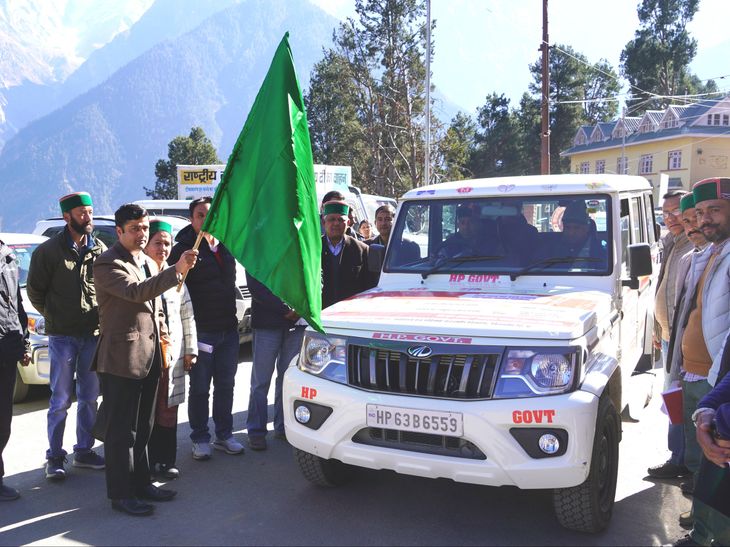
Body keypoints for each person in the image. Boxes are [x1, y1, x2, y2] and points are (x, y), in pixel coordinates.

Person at [92, 204, 198, 516]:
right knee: (121, 431)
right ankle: (121, 495)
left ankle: (142, 483)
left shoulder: (146, 261)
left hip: (151, 355)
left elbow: (159, 308)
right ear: (120, 231)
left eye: (145, 227)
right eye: (135, 229)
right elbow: (138, 293)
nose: (142, 234)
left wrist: (165, 342)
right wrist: (176, 269)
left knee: (144, 426)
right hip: (121, 358)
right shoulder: (107, 263)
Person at [26, 192, 107, 480]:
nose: (88, 217)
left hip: (92, 335)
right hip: (62, 337)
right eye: (82, 213)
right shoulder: (48, 252)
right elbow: (35, 292)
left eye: (90, 211)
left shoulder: (99, 249)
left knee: (89, 397)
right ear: (67, 217)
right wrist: (54, 315)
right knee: (60, 399)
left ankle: (83, 451)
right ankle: (55, 457)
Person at [169, 197, 245, 460]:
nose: (207, 219)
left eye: (211, 215)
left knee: (226, 385)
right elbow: (173, 291)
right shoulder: (182, 250)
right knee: (200, 387)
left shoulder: (225, 246)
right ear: (192, 219)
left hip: (228, 330)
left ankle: (224, 434)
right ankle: (200, 437)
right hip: (201, 332)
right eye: (201, 215)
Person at [144, 220, 197, 479]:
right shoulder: (140, 275)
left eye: (167, 243)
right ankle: (147, 463)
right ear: (145, 244)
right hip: (148, 359)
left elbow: (187, 315)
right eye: (158, 243)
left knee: (169, 411)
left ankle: (166, 461)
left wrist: (191, 350)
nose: (163, 248)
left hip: (172, 357)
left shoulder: (178, 276)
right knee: (148, 413)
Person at [668, 193, 711, 502]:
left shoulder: (718, 256)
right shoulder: (689, 256)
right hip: (685, 359)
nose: (691, 225)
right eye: (687, 221)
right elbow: (683, 310)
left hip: (712, 369)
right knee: (688, 428)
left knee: (708, 439)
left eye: (694, 218)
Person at [649, 190, 693, 481]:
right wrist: (656, 327)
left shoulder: (694, 245)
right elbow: (663, 288)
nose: (670, 218)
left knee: (682, 400)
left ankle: (685, 463)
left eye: (676, 211)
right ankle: (678, 457)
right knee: (673, 398)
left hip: (685, 341)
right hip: (668, 335)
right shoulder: (670, 242)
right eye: (665, 213)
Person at [245, 273, 305, 451]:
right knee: (260, 382)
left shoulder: (301, 244)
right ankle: (256, 431)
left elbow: (316, 274)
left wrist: (302, 306)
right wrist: (285, 309)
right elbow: (256, 284)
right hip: (267, 323)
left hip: (297, 323)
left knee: (288, 381)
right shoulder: (260, 245)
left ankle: (283, 427)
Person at [0, 239, 31, 501]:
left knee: (2, 422)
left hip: (7, 347)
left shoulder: (7, 254)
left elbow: (16, 304)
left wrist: (24, 342)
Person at [321, 201, 373, 309]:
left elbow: (369, 286)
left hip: (350, 314)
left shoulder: (362, 250)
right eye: (331, 219)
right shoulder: (313, 249)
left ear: (348, 222)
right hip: (320, 313)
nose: (336, 223)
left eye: (341, 220)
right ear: (323, 222)